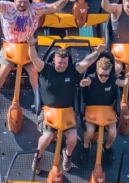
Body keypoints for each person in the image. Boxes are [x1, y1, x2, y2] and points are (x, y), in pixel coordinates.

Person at [0, 0, 73, 116]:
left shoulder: (35, 8)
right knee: (5, 69)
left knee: (34, 71)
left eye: (25, 2)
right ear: (14, 0)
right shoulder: (7, 6)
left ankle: (39, 99)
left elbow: (54, 7)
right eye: (20, 2)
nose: (22, 5)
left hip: (27, 46)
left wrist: (64, 0)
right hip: (10, 45)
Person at [28, 38, 105, 172]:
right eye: (60, 63)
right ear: (54, 61)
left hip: (67, 111)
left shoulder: (72, 70)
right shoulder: (46, 69)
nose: (62, 65)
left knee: (73, 137)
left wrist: (97, 52)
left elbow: (87, 61)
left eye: (65, 62)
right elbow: (33, 58)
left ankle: (67, 154)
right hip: (48, 111)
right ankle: (37, 158)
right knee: (46, 137)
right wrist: (31, 44)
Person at [79, 56, 129, 165]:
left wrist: (128, 79)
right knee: (90, 130)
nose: (103, 78)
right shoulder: (92, 78)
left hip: (107, 110)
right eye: (101, 75)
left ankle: (106, 146)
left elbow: (123, 83)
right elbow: (84, 83)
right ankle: (85, 146)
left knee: (113, 132)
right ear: (97, 72)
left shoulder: (112, 78)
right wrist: (83, 83)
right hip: (92, 109)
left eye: (106, 75)